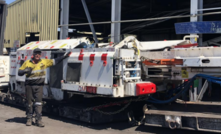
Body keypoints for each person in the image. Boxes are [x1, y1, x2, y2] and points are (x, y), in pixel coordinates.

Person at [18, 48, 71, 127]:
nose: (37, 55)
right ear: (33, 54)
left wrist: (64, 56)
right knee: (29, 103)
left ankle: (38, 120)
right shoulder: (27, 63)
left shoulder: (44, 62)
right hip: (29, 86)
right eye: (36, 53)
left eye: (39, 53)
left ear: (40, 55)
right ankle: (29, 119)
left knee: (38, 103)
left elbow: (55, 61)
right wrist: (25, 71)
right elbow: (19, 72)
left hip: (39, 86)